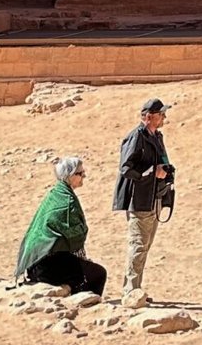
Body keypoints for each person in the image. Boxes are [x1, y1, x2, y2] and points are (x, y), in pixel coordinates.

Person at [16, 156, 107, 297]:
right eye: (79, 173)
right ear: (68, 176)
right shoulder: (67, 201)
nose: (84, 176)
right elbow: (74, 235)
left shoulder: (56, 193)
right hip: (46, 265)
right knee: (98, 273)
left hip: (36, 261)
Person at [113, 97, 174, 304]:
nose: (164, 117)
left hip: (153, 198)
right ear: (148, 117)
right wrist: (150, 173)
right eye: (160, 114)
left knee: (145, 246)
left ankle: (135, 288)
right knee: (138, 245)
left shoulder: (157, 136)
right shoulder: (136, 137)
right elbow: (126, 169)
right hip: (139, 200)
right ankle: (130, 291)